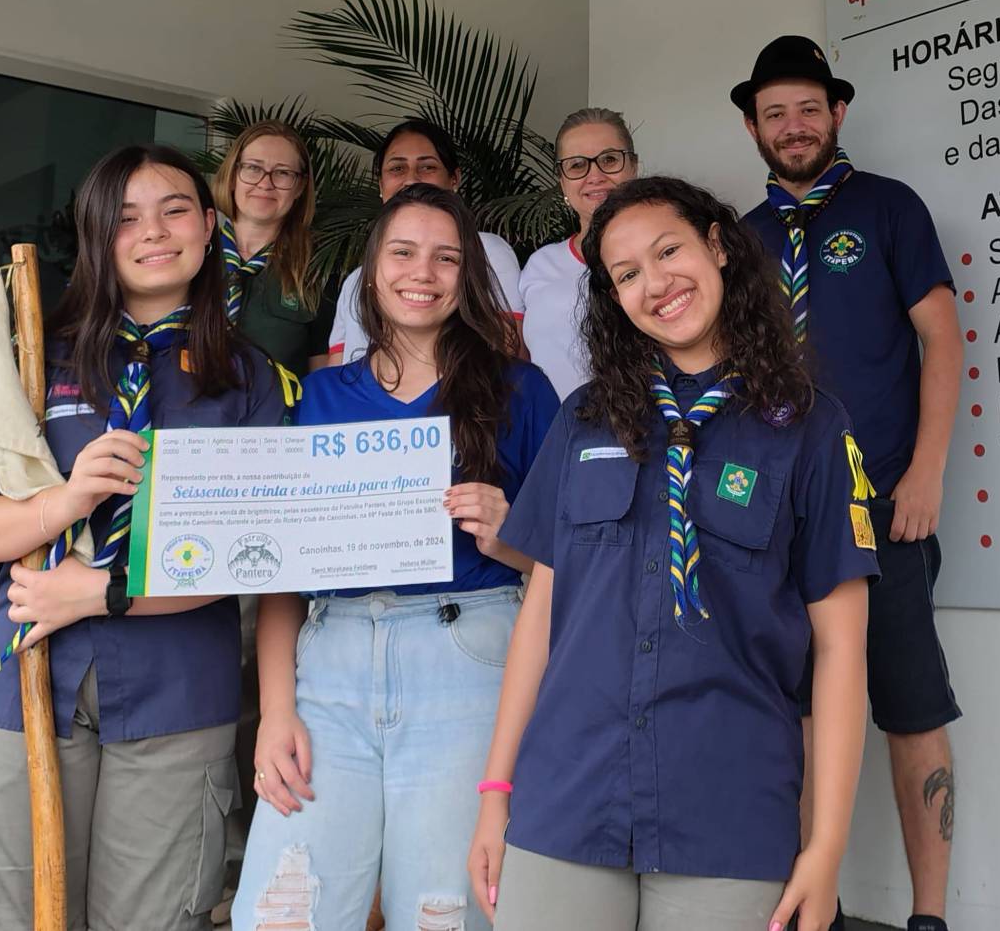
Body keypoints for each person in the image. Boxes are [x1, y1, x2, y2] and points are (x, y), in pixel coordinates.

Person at [469, 176, 875, 931]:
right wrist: (496, 794)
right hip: (567, 801)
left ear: (716, 247)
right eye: (627, 274)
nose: (655, 284)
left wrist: (825, 847)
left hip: (729, 813)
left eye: (668, 251)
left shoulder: (812, 428)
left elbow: (842, 653)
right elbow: (543, 615)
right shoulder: (584, 419)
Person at [0, 145, 292, 931]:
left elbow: (258, 552)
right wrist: (64, 501)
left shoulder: (249, 379)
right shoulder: (36, 358)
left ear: (209, 225)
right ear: (98, 238)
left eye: (174, 210)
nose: (154, 232)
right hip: (25, 680)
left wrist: (97, 592)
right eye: (126, 217)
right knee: (15, 914)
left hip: (177, 693)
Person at [234, 183, 559, 931]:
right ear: (369, 272)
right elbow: (286, 568)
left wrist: (508, 534)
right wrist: (275, 711)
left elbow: (565, 565)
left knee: (441, 910)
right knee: (286, 909)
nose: (425, 272)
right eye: (403, 252)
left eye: (447, 258)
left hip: (469, 658)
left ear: (468, 275)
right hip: (331, 663)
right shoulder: (316, 397)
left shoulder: (522, 390)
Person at [735, 36, 966, 931]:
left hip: (882, 510)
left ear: (836, 113)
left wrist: (925, 473)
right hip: (778, 519)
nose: (792, 127)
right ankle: (807, 912)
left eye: (807, 109)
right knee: (789, 718)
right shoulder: (740, 240)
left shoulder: (889, 208)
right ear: (752, 125)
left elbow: (941, 340)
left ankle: (931, 917)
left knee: (911, 712)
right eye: (773, 113)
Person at [325, 119, 523, 364]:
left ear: (454, 179)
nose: (411, 179)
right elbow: (338, 373)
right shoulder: (356, 279)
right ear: (380, 184)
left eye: (427, 167)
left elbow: (508, 352)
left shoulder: (485, 250)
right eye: (397, 168)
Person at [519, 107, 639, 400]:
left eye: (609, 160)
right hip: (555, 439)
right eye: (576, 165)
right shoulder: (539, 265)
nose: (594, 176)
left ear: (633, 167)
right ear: (562, 180)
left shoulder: (667, 260)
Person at [212, 118, 336, 389]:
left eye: (282, 173)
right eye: (253, 168)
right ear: (233, 176)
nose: (265, 184)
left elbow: (320, 379)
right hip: (185, 424)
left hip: (276, 426)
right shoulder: (194, 254)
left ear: (300, 187)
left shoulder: (317, 268)